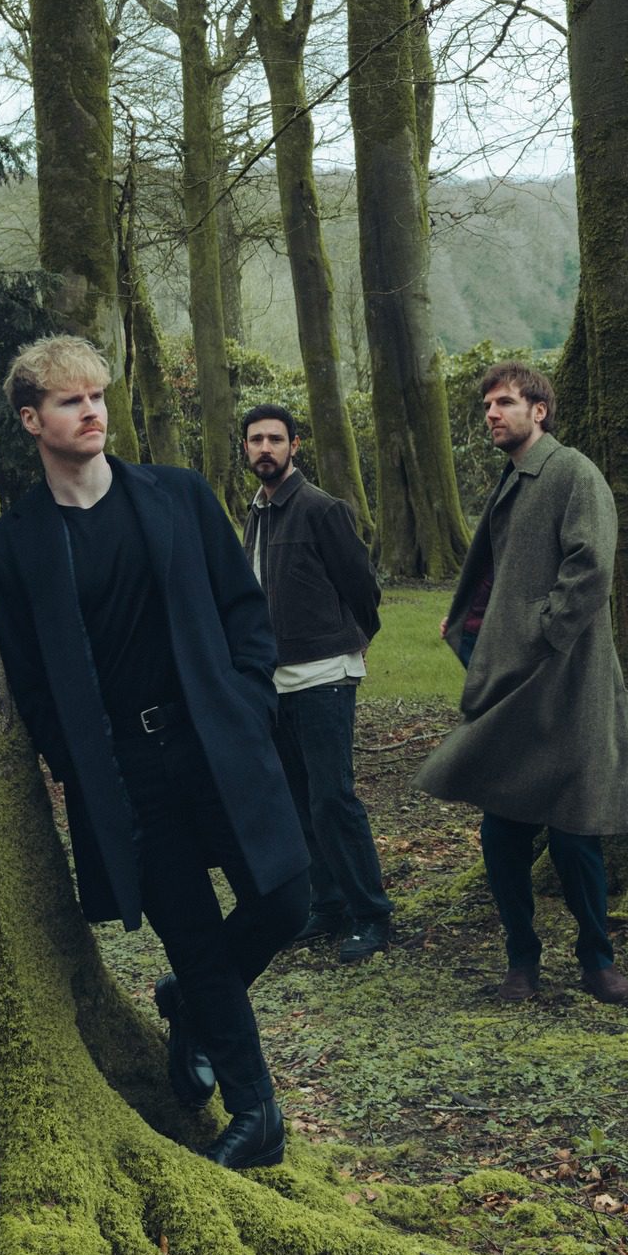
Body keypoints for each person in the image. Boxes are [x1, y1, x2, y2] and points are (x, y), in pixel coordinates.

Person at [0, 336, 309, 1169]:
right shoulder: (15, 543)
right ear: (31, 419)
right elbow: (31, 681)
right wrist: (75, 763)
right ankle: (256, 1113)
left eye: (97, 395)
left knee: (286, 902)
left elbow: (243, 610)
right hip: (123, 771)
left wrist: (247, 703)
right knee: (191, 935)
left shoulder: (177, 496)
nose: (92, 410)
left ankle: (187, 1005)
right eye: (70, 400)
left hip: (217, 741)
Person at [416, 362, 628, 1004]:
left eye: (505, 402)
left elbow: (591, 566)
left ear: (539, 410)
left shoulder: (573, 473)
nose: (492, 413)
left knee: (574, 831)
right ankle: (522, 961)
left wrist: (542, 632)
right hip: (513, 682)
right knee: (502, 828)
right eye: (488, 404)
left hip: (568, 679)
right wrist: (474, 622)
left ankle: (597, 962)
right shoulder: (512, 479)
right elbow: (498, 571)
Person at [240, 405, 391, 964]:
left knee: (332, 799)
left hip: (324, 676)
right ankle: (327, 905)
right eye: (256, 439)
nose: (265, 448)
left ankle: (371, 912)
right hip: (274, 681)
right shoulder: (257, 513)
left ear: (294, 445)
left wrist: (355, 638)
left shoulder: (322, 508)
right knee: (299, 800)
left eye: (275, 439)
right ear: (245, 448)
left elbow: (362, 586)